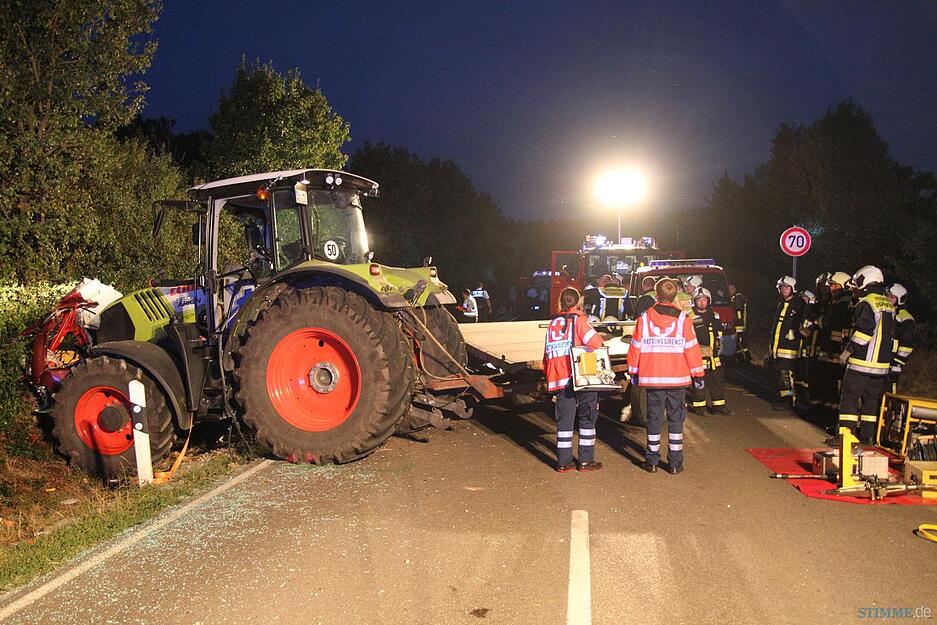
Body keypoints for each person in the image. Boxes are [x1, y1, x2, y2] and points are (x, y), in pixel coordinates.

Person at [627, 278, 705, 474]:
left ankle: (651, 460)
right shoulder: (683, 320)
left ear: (656, 295)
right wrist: (698, 375)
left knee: (654, 418)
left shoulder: (643, 320)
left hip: (652, 378)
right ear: (675, 295)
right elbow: (692, 350)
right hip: (677, 379)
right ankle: (675, 463)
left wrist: (634, 372)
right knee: (676, 419)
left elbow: (636, 348)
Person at [542, 287, 605, 472]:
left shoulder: (553, 323)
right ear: (578, 302)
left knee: (565, 421)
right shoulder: (579, 321)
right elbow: (596, 342)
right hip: (580, 376)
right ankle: (586, 460)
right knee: (587, 417)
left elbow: (547, 351)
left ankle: (563, 462)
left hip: (559, 377)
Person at [834, 265, 895, 444]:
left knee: (849, 400)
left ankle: (846, 438)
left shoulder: (866, 303)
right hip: (881, 368)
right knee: (870, 403)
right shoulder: (887, 304)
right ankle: (867, 437)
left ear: (866, 281)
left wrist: (848, 351)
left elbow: (864, 332)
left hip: (862, 364)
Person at [816, 271, 852, 416]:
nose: (831, 288)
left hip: (837, 349)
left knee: (834, 380)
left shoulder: (845, 304)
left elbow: (838, 327)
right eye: (830, 286)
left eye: (834, 285)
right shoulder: (834, 302)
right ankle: (826, 408)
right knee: (826, 378)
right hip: (828, 347)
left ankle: (833, 411)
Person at [689, 287, 728, 415]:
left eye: (704, 299)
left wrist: (718, 340)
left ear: (708, 300)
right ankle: (700, 407)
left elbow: (720, 331)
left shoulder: (715, 315)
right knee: (699, 383)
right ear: (694, 301)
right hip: (698, 357)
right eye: (699, 300)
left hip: (714, 356)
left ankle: (719, 407)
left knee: (717, 380)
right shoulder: (690, 316)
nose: (702, 302)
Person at [769, 276, 804, 410]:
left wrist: (795, 334)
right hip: (779, 346)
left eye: (786, 287)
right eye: (781, 287)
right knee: (782, 373)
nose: (784, 290)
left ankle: (788, 401)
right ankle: (786, 398)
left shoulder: (799, 304)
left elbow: (805, 324)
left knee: (786, 373)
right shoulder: (781, 304)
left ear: (793, 289)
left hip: (791, 347)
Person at [887, 283, 916, 394]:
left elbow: (906, 345)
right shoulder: (887, 313)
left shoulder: (906, 319)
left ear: (900, 299)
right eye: (887, 296)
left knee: (889, 393)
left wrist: (897, 362)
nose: (888, 299)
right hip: (882, 360)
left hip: (893, 363)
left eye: (891, 297)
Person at [728, 284, 751, 362]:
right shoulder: (733, 298)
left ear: (735, 289)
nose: (729, 290)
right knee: (739, 342)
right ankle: (743, 357)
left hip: (739, 325)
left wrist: (737, 321)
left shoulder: (738, 297)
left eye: (731, 289)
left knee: (739, 341)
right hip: (737, 324)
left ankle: (744, 357)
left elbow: (738, 310)